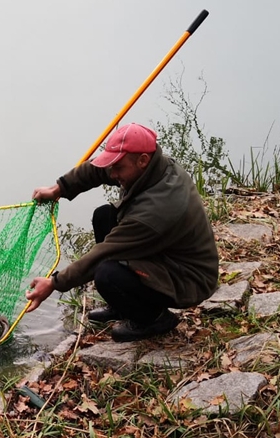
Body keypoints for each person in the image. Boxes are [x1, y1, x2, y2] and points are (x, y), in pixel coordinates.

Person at [25, 122, 219, 342]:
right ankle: (122, 305)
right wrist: (59, 188)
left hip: (188, 277)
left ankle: (154, 319)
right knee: (103, 216)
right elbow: (98, 169)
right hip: (165, 250)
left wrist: (54, 283)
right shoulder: (151, 167)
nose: (113, 173)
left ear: (143, 160)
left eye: (118, 168)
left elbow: (104, 253)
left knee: (107, 273)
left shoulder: (157, 209)